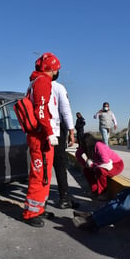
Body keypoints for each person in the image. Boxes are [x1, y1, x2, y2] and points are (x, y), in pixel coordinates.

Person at [22, 52, 60, 227]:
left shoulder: (34, 81)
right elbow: (41, 111)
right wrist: (50, 132)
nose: (56, 73)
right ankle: (31, 212)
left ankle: (39, 208)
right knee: (39, 174)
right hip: (41, 137)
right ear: (50, 69)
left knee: (44, 174)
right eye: (56, 70)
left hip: (38, 136)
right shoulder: (43, 81)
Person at [51, 80, 78, 209]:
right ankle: (64, 198)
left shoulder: (32, 85)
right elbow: (65, 110)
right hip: (57, 130)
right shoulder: (58, 87)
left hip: (41, 131)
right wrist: (71, 131)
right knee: (60, 164)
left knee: (44, 167)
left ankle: (40, 201)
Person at [75, 133, 124, 199]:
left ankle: (103, 193)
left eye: (83, 144)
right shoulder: (86, 147)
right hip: (101, 164)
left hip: (116, 164)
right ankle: (94, 190)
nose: (82, 146)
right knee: (87, 170)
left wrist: (92, 165)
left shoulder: (98, 145)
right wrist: (85, 164)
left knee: (100, 171)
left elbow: (105, 160)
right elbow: (78, 154)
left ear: (87, 143)